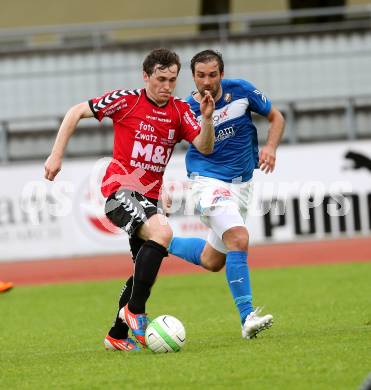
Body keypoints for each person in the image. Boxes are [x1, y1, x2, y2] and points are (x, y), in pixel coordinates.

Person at [44, 48, 215, 351]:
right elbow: (75, 112)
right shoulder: (126, 101)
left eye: (172, 80)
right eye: (160, 79)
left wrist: (207, 119)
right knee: (162, 233)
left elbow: (204, 146)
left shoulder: (179, 111)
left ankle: (117, 335)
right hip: (118, 192)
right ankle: (135, 311)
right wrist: (56, 155)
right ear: (146, 76)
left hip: (149, 198)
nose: (166, 86)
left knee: (143, 266)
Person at [167, 49, 285, 339]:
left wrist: (270, 147)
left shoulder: (241, 91)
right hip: (207, 182)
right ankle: (247, 318)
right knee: (239, 238)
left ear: (221, 73)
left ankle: (159, 241)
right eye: (200, 75)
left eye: (212, 74)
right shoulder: (184, 109)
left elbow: (275, 116)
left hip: (242, 185)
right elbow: (165, 146)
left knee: (212, 260)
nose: (206, 81)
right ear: (192, 77)